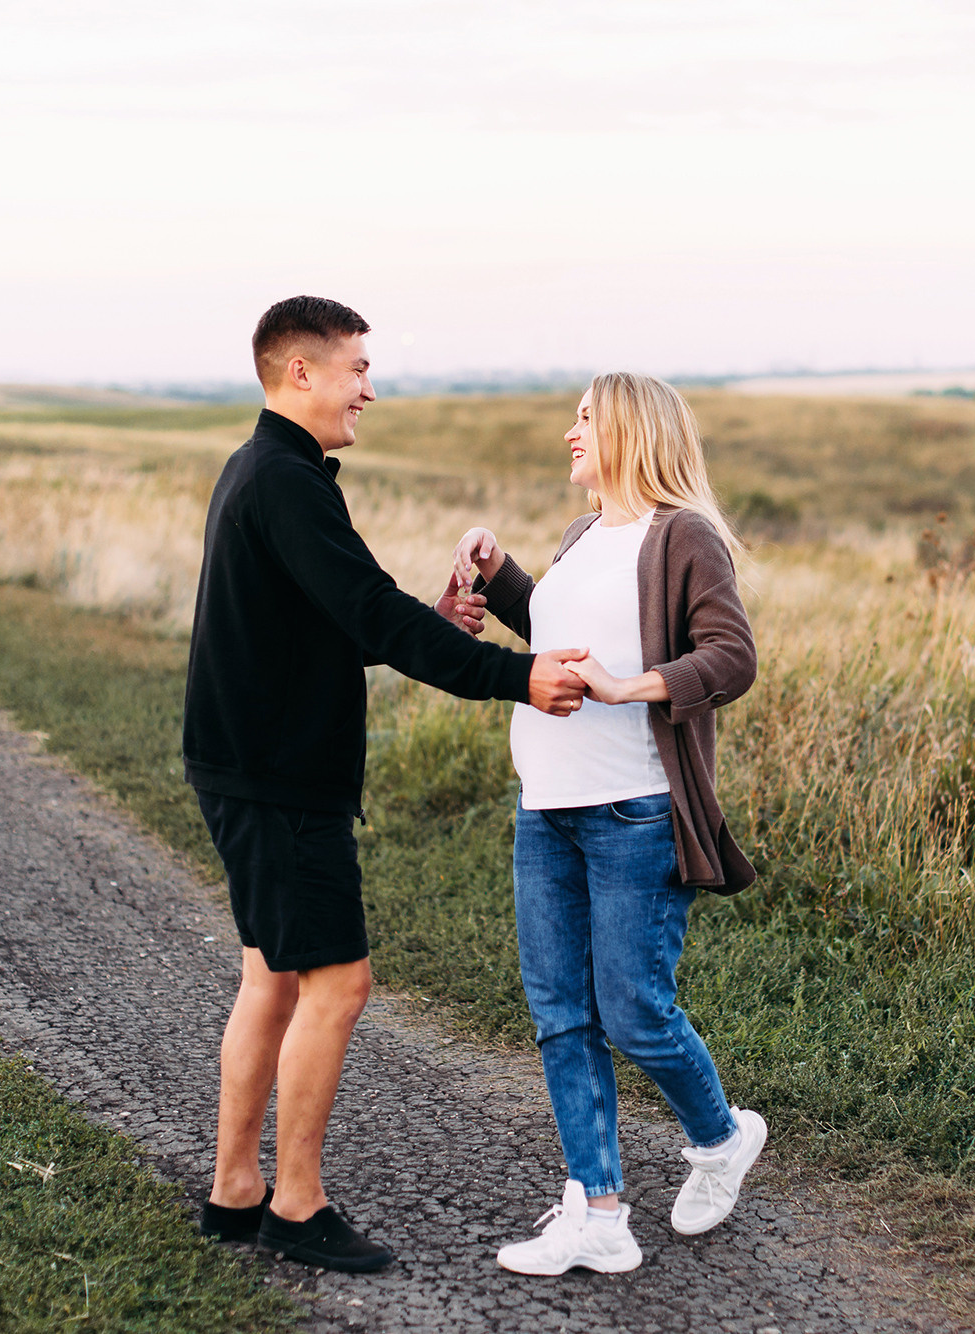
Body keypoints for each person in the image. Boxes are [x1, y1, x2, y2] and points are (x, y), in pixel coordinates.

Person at [184, 295, 589, 1272]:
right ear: (299, 374)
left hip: (252, 766)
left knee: (271, 975)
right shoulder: (284, 481)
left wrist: (445, 629)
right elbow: (368, 609)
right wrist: (516, 676)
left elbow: (332, 626)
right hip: (278, 781)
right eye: (356, 368)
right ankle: (295, 1204)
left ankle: (235, 1191)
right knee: (339, 981)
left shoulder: (270, 472)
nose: (369, 386)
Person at [449, 371, 763, 1276]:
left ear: (628, 429)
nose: (568, 434)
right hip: (544, 807)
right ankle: (599, 1213)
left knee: (631, 1011)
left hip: (633, 812)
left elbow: (730, 655)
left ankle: (721, 1137)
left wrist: (634, 687)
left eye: (584, 419)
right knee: (560, 1013)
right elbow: (556, 634)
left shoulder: (684, 537)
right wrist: (500, 571)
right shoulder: (584, 535)